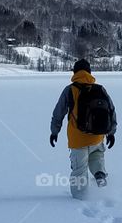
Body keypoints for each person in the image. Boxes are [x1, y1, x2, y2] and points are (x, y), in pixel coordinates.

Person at [49, 58, 117, 197]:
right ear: (89, 72)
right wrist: (111, 133)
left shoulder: (70, 90)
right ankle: (100, 178)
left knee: (79, 170)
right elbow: (111, 111)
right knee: (97, 157)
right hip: (97, 137)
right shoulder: (100, 89)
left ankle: (79, 200)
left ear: (75, 72)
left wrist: (54, 132)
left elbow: (58, 113)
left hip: (78, 139)